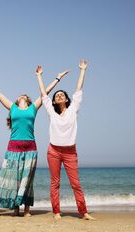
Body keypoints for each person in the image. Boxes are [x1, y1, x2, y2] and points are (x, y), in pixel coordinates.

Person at [0, 69, 68, 216]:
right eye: (20, 95)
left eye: (24, 95)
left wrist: (57, 78)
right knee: (14, 180)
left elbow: (46, 92)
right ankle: (16, 208)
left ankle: (26, 209)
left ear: (28, 100)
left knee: (27, 180)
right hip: (13, 147)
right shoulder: (12, 107)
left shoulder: (33, 108)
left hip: (30, 148)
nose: (22, 95)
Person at [36, 60, 95, 220]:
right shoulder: (52, 112)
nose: (59, 95)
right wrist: (39, 76)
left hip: (70, 152)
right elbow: (43, 95)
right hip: (53, 151)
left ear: (67, 99)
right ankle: (56, 212)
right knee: (55, 183)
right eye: (57, 95)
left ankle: (84, 212)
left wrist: (83, 70)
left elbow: (78, 89)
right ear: (54, 101)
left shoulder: (73, 109)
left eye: (62, 94)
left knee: (75, 183)